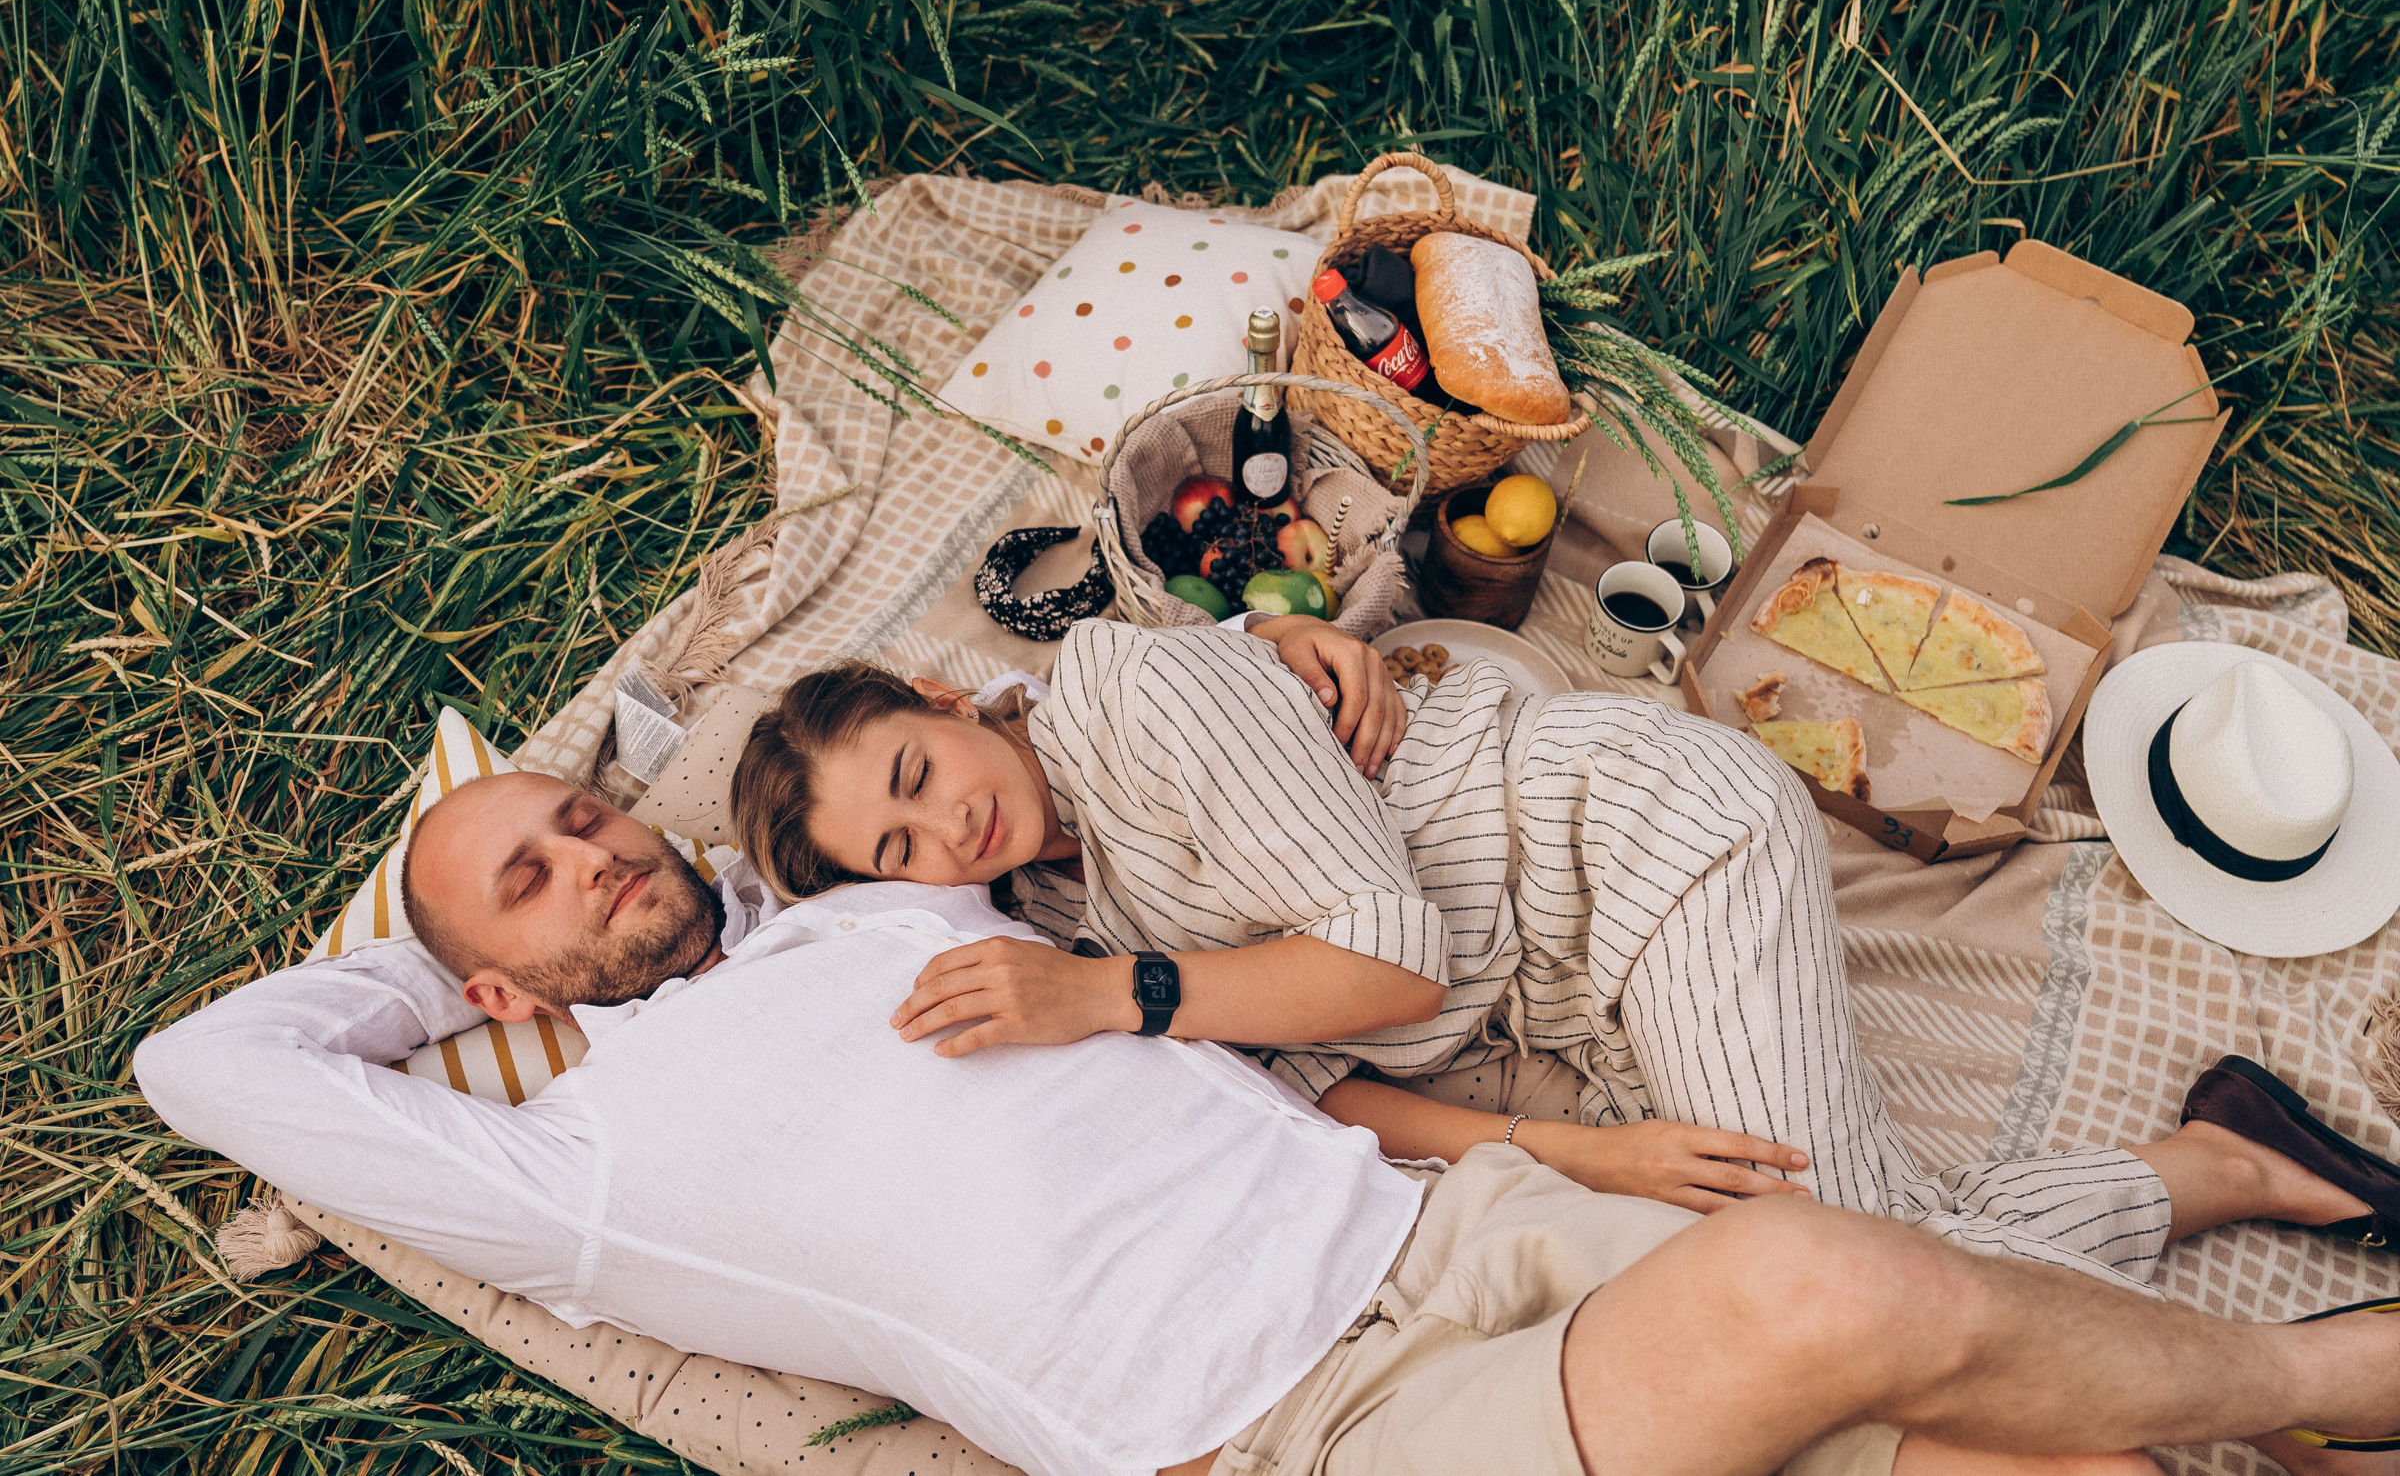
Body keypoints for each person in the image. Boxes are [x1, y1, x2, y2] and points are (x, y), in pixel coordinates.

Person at [132, 781, 2400, 1476]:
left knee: (2061, 1450)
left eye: (593, 812)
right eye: (536, 872)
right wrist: (438, 964)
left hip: (1445, 1213)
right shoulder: (572, 1145)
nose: (601, 851)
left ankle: (2247, 1328)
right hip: (1296, 1419)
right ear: (496, 982)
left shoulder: (857, 910)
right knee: (1843, 1283)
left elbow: (1016, 737)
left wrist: (1321, 670)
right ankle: (2329, 1372)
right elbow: (204, 1071)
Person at [728, 614, 2396, 1271]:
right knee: (1793, 1249)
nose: (947, 828)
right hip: (1567, 1026)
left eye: (918, 772)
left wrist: (1116, 999)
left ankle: (2215, 1173)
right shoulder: (1050, 923)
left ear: (944, 700)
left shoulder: (1124, 689)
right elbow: (1317, 1100)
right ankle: (2215, 1167)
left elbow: (1386, 966)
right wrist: (1586, 1153)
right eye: (896, 846)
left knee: (1866, 1262)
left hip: (1642, 843)